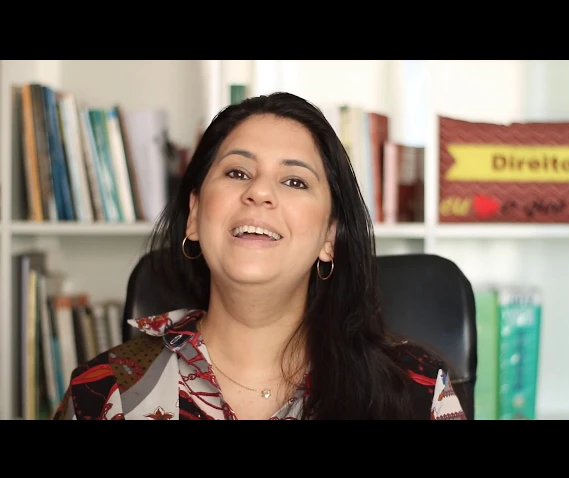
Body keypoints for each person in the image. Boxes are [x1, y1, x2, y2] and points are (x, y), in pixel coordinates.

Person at [53, 92, 467, 420]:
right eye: (237, 173)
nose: (260, 192)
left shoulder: (418, 391)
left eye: (294, 181)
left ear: (329, 237)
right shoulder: (103, 393)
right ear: (194, 216)